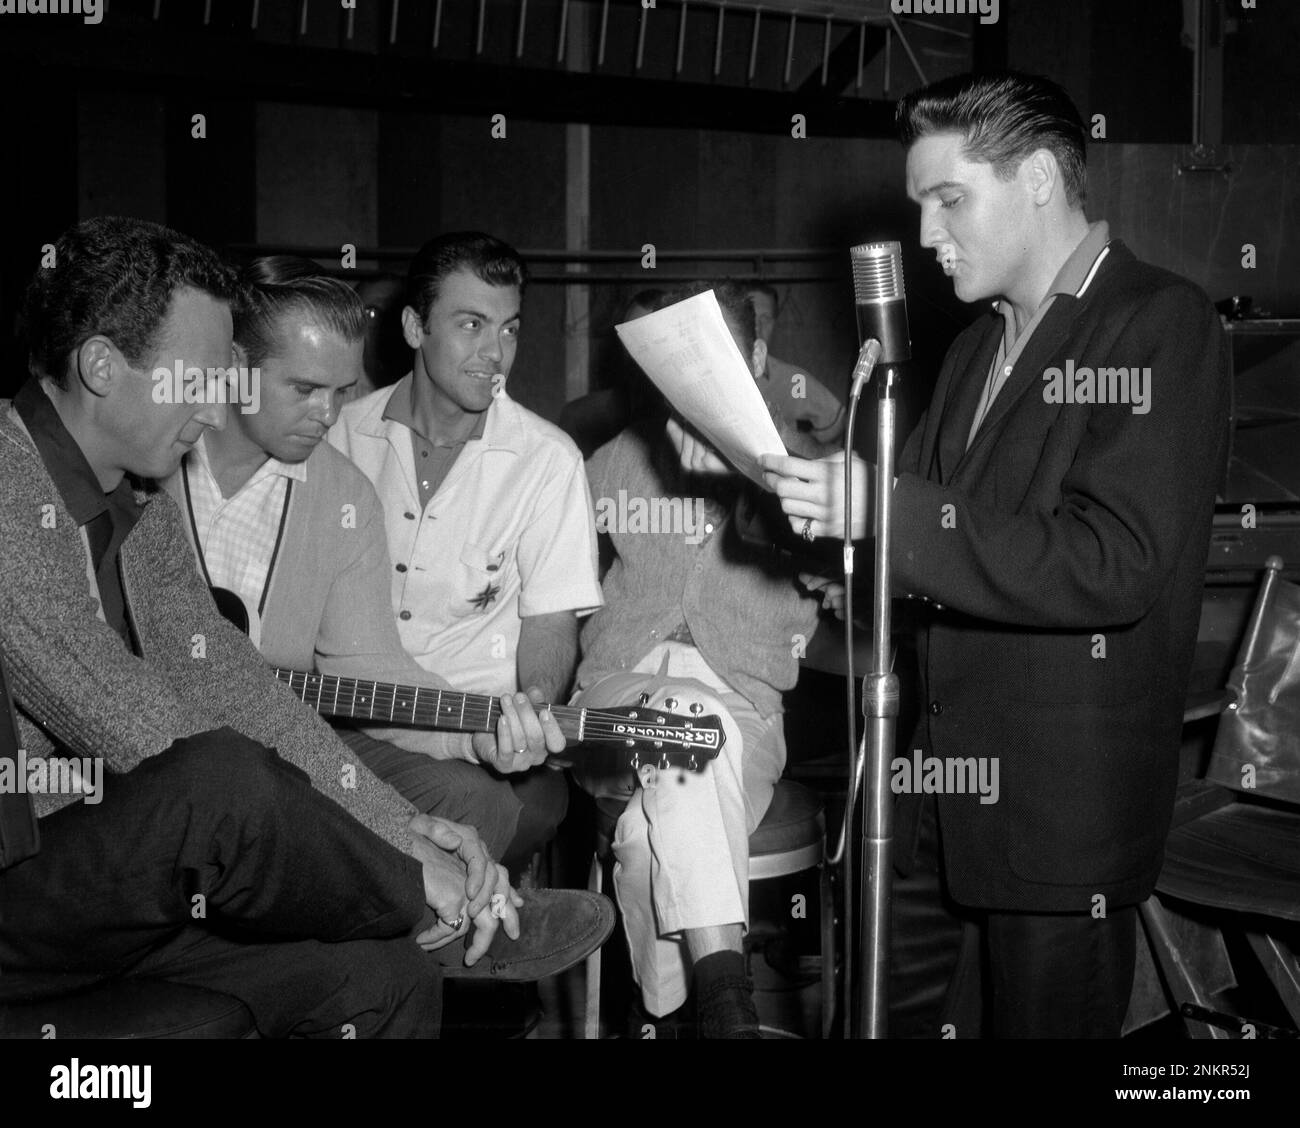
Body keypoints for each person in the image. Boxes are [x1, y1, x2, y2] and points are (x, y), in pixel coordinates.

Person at [0, 216, 611, 1037]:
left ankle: (429, 923)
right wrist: (397, 867)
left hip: (108, 872)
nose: (219, 406)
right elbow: (142, 726)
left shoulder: (138, 508)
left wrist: (397, 821)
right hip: (26, 877)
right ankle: (441, 909)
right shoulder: (7, 484)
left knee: (384, 980)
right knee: (218, 774)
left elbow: (235, 683)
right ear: (103, 366)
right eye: (203, 380)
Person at [761, 72, 1231, 1037]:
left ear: (1045, 180)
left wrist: (883, 510)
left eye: (950, 199)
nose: (928, 235)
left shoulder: (1158, 324)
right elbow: (922, 533)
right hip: (936, 800)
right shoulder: (979, 346)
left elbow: (1114, 560)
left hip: (1056, 824)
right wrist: (801, 495)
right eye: (919, 205)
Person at [159, 255, 568, 871]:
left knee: (464, 798)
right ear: (235, 368)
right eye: (304, 390)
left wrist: (482, 732)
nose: (328, 415)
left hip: (281, 744)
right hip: (150, 745)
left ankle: (454, 923)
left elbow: (370, 664)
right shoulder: (149, 462)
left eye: (341, 392)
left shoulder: (345, 494)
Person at [573, 282, 825, 1038]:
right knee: (686, 722)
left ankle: (664, 1018)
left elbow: (859, 591)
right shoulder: (609, 463)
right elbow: (547, 590)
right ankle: (726, 1010)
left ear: (752, 356)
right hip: (614, 701)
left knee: (652, 833)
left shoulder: (811, 474)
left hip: (744, 715)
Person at [330, 233, 604, 853]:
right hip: (343, 717)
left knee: (506, 811)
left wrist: (532, 709)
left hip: (473, 737)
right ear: (413, 326)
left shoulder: (548, 460)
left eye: (509, 328)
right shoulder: (339, 438)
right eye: (472, 324)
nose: (494, 353)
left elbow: (551, 623)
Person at [558, 289, 665, 458]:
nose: (638, 351)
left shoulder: (691, 428)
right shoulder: (583, 420)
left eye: (650, 338)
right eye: (630, 336)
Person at [746, 282, 845, 447]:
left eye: (766, 319)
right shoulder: (714, 373)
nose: (758, 327)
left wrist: (804, 450)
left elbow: (836, 417)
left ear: (775, 323)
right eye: (751, 317)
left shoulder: (792, 381)